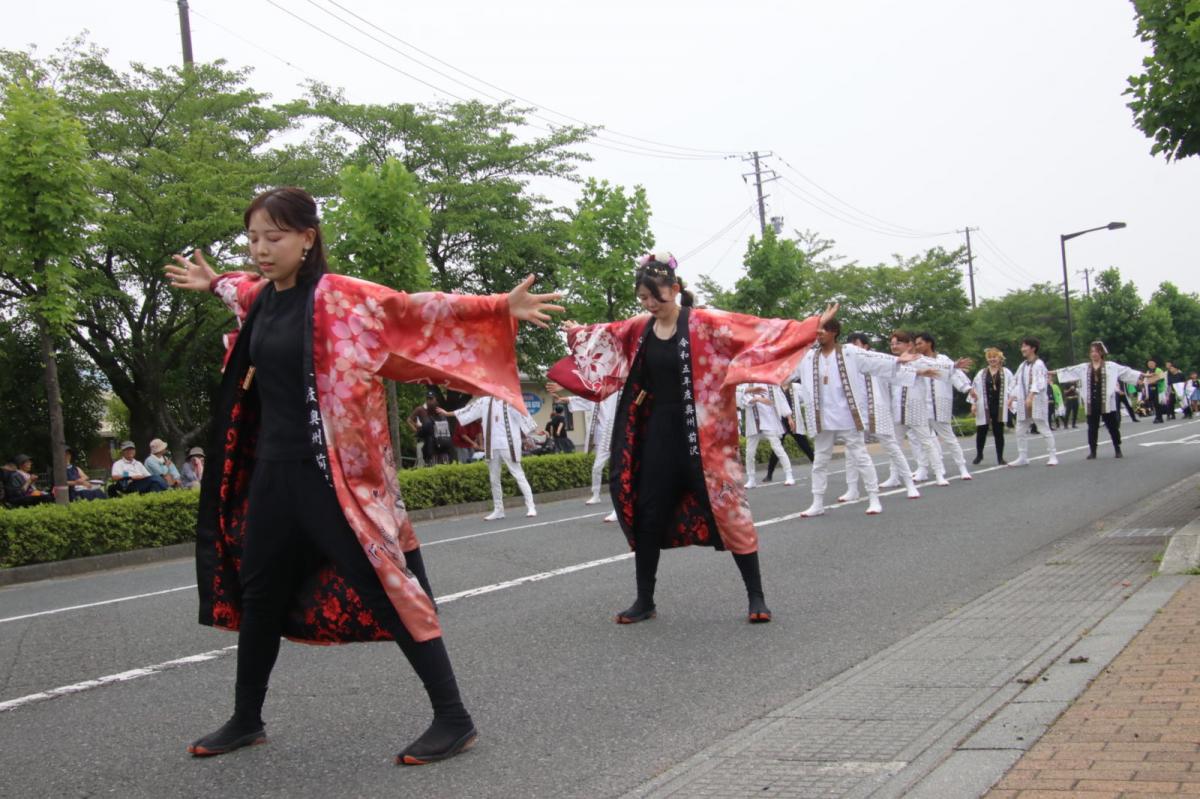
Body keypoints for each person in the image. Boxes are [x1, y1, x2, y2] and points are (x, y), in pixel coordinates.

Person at [164, 186, 562, 764]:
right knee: (260, 594)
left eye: (274, 237)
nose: (260, 249)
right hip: (273, 476)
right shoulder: (258, 300)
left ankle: (453, 718)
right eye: (252, 238)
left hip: (337, 477)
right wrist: (211, 281)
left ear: (307, 239)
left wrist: (499, 306)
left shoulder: (344, 298)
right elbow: (236, 285)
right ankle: (246, 718)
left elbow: (418, 308)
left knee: (388, 589)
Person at [548, 251, 835, 625]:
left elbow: (757, 329)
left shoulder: (705, 322)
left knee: (731, 512)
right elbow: (607, 337)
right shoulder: (640, 328)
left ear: (675, 289)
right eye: (643, 298)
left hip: (706, 439)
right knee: (648, 515)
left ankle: (756, 596)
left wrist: (810, 326)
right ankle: (644, 599)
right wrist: (575, 332)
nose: (650, 304)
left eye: (656, 296)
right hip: (657, 436)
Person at [793, 321, 919, 516]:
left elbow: (873, 358)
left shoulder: (850, 352)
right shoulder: (809, 357)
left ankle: (874, 498)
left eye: (823, 330)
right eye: (816, 330)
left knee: (861, 456)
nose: (818, 334)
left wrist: (896, 361)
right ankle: (817, 502)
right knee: (820, 460)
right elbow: (787, 370)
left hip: (847, 414)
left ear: (834, 332)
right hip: (822, 416)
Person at [838, 332, 925, 502]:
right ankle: (852, 489)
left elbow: (899, 372)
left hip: (878, 410)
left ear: (865, 346)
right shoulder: (845, 364)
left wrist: (919, 372)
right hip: (856, 412)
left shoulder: (878, 361)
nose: (853, 348)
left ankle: (909, 484)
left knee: (892, 446)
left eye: (856, 344)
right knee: (851, 452)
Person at [443, 395, 538, 520]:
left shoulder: (511, 402)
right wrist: (448, 413)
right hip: (492, 445)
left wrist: (534, 431)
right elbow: (468, 410)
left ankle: (531, 506)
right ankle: (498, 509)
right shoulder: (485, 401)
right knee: (494, 478)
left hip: (508, 444)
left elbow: (523, 416)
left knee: (518, 474)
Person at [1051, 342, 1143, 459]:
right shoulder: (1084, 367)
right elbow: (1069, 371)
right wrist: (1052, 372)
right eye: (1092, 352)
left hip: (1106, 402)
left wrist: (1142, 375)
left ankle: (1117, 448)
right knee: (1092, 427)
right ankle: (1093, 451)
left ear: (1101, 353)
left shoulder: (1111, 366)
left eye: (1096, 351)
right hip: (1092, 402)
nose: (1093, 354)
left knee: (1112, 427)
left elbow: (1126, 371)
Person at [912, 333, 974, 481]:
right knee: (923, 440)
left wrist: (967, 389)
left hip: (940, 405)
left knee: (949, 438)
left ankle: (962, 468)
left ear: (929, 343)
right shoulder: (917, 360)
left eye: (919, 343)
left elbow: (955, 375)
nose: (917, 346)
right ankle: (924, 469)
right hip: (922, 405)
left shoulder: (943, 360)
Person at [886, 331, 945, 486]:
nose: (894, 346)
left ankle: (939, 473)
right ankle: (894, 476)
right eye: (892, 344)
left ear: (909, 344)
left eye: (898, 343)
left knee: (926, 441)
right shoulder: (891, 362)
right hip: (897, 409)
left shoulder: (920, 359)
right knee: (894, 444)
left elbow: (940, 367)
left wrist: (954, 366)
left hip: (916, 407)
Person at [547, 380, 619, 506]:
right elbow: (578, 398)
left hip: (618, 434)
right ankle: (596, 495)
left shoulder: (615, 393)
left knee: (620, 468)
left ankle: (621, 498)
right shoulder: (593, 398)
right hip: (603, 438)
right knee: (597, 467)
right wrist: (560, 397)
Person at [1008, 337, 1058, 467]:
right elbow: (1016, 381)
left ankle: (1052, 456)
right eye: (1022, 346)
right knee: (1020, 429)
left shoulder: (1039, 364)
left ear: (1033, 348)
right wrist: (1011, 397)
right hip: (1023, 401)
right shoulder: (1023, 365)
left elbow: (1039, 382)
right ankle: (1022, 456)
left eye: (1025, 346)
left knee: (1043, 427)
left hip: (1037, 400)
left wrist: (1031, 396)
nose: (1022, 349)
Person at [737, 382, 794, 488]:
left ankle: (789, 475)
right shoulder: (746, 384)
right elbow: (742, 400)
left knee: (777, 448)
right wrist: (758, 399)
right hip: (753, 422)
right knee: (749, 452)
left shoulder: (769, 382)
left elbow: (780, 399)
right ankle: (751, 479)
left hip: (768, 420)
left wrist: (789, 417)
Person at [968, 348, 1013, 465]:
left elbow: (1013, 387)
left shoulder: (1006, 372)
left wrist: (1011, 399)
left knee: (999, 431)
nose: (992, 359)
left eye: (994, 357)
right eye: (989, 357)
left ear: (1000, 358)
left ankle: (1000, 457)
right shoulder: (981, 373)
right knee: (981, 430)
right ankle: (979, 454)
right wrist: (973, 403)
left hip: (999, 405)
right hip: (984, 404)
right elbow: (974, 388)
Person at [765, 383, 815, 483]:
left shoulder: (795, 387)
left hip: (794, 421)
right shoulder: (775, 388)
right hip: (781, 421)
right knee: (777, 448)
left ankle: (817, 466)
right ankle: (769, 473)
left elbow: (805, 397)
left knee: (805, 445)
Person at [408, 392, 443, 466]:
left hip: (436, 439)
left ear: (435, 400)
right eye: (428, 399)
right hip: (423, 439)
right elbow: (409, 420)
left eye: (431, 399)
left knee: (435, 461)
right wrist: (415, 428)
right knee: (422, 460)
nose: (430, 401)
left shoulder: (437, 410)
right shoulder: (420, 409)